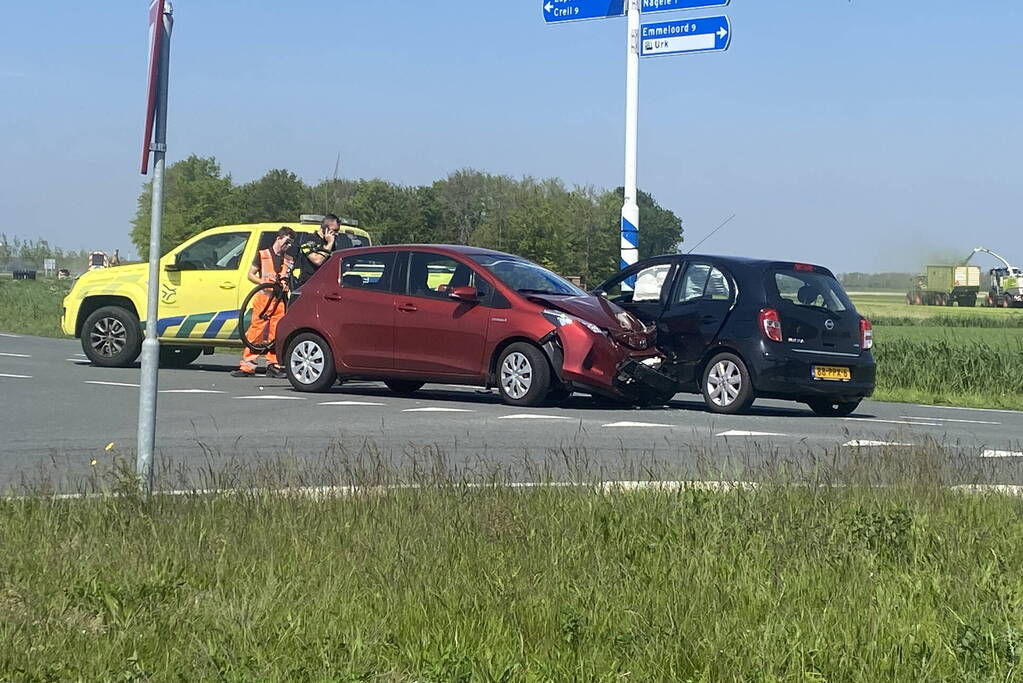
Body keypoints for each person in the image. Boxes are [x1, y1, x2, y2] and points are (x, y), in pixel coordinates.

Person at [232, 227, 295, 378]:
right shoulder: (263, 255)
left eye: (291, 243)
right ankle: (247, 366)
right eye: (287, 242)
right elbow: (250, 275)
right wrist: (264, 282)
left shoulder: (288, 259)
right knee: (256, 331)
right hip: (264, 298)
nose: (288, 246)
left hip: (280, 300)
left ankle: (273, 365)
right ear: (279, 238)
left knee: (276, 332)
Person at [296, 214, 348, 287]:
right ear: (325, 228)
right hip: (309, 284)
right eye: (334, 230)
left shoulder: (331, 243)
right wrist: (329, 243)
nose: (336, 234)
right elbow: (317, 260)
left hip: (325, 284)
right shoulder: (309, 240)